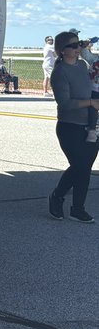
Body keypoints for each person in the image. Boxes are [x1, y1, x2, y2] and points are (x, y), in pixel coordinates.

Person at [48, 30, 99, 223]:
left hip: (89, 125)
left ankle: (77, 209)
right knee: (80, 166)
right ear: (63, 50)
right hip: (69, 127)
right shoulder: (60, 73)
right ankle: (57, 196)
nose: (79, 48)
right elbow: (64, 103)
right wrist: (91, 104)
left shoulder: (82, 66)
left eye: (79, 44)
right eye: (74, 45)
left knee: (84, 168)